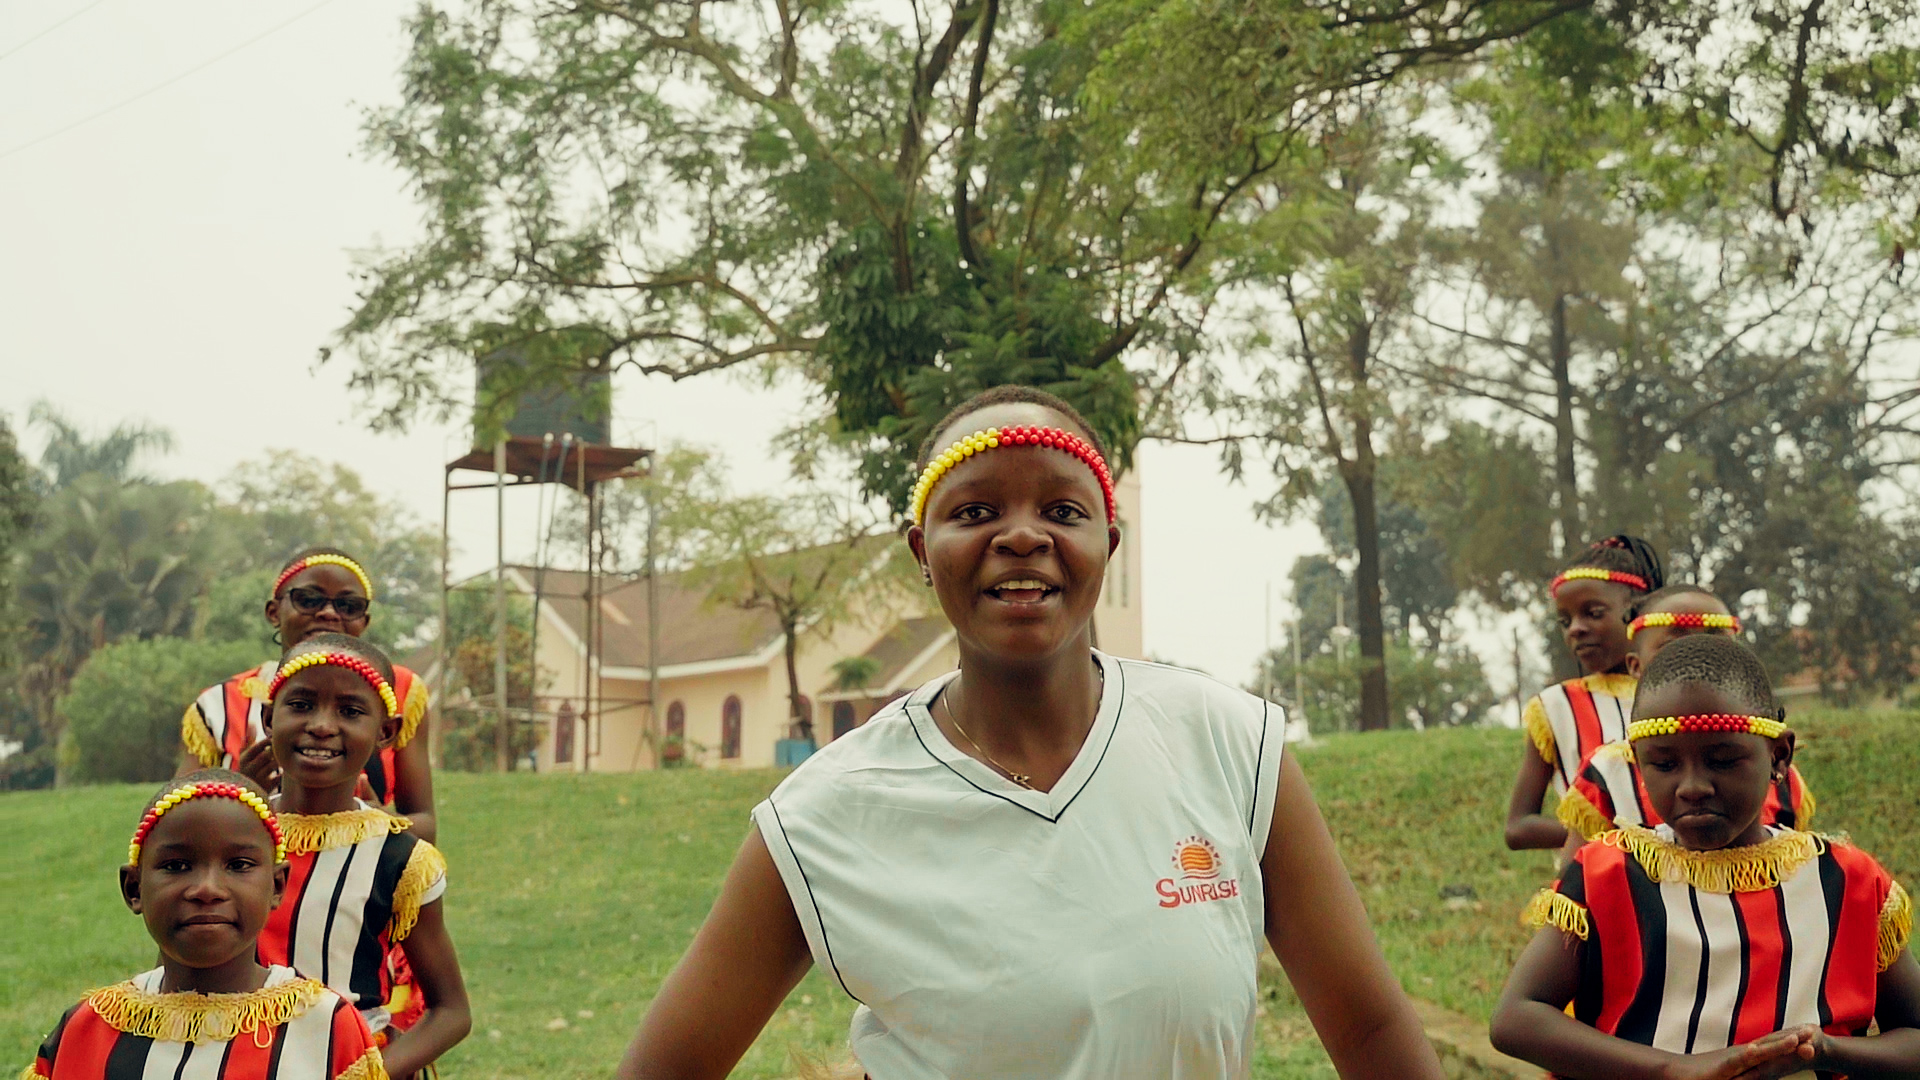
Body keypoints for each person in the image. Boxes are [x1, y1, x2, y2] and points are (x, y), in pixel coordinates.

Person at [617, 386, 1445, 1080]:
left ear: (1106, 544)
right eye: (976, 510)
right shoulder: (826, 812)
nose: (1021, 535)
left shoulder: (1229, 744)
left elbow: (1371, 1028)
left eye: (1061, 509)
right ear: (922, 551)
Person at [1490, 635, 1920, 1079]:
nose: (1692, 786)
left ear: (1779, 756)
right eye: (1664, 764)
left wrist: (1826, 1050)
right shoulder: (1608, 876)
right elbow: (1516, 1018)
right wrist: (1673, 1070)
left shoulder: (1848, 883)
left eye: (1723, 760)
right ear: (1637, 764)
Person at [24, 770, 387, 1080]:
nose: (207, 889)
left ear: (277, 886)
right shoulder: (86, 1031)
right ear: (134, 889)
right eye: (176, 866)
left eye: (239, 865)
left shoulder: (326, 1028)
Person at [257, 633, 469, 1080]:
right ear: (269, 718)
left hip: (351, 1062)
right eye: (301, 705)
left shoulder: (398, 857)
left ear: (386, 732)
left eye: (350, 711)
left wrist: (370, 1074)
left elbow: (451, 1011)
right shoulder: (233, 836)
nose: (321, 725)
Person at [180, 547, 436, 842]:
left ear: (364, 620)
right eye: (308, 600)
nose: (328, 613)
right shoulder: (221, 705)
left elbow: (424, 824)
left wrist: (376, 821)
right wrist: (242, 794)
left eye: (348, 605)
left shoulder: (398, 691)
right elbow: (174, 824)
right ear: (274, 611)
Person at [1556, 585, 1813, 846]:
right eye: (1664, 764)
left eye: (1717, 643)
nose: (1698, 654)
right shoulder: (1608, 774)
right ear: (1635, 665)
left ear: (1778, 757)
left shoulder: (1778, 775)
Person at [1504, 535, 1664, 851]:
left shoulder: (1679, 695)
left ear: (1638, 613)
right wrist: (1608, 835)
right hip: (1592, 877)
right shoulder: (1555, 708)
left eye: (1593, 613)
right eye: (1565, 621)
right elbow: (1518, 828)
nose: (1575, 628)